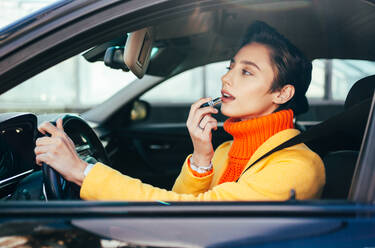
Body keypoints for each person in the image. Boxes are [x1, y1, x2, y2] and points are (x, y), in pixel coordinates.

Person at [35, 21, 325, 201]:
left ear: (282, 93)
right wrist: (201, 157)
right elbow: (176, 209)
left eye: (247, 72)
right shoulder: (226, 150)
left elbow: (186, 215)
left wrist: (82, 171)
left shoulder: (297, 167)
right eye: (230, 67)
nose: (226, 79)